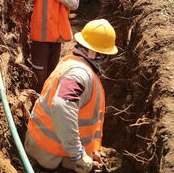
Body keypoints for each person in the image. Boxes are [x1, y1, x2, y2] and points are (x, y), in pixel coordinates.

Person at [25, 19, 119, 173]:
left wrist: (90, 151)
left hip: (45, 144)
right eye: (105, 54)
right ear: (95, 53)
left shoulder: (72, 62)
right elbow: (62, 106)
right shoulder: (79, 74)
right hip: (52, 153)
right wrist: (78, 154)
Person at [18, 0, 79, 91]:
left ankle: (48, 98)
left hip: (57, 38)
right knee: (39, 73)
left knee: (52, 73)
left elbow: (74, 3)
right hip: (41, 37)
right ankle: (36, 98)